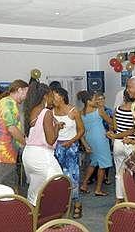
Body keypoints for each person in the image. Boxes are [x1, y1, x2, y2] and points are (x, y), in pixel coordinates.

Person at [22, 82, 63, 206]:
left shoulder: (32, 110)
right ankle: (51, 217)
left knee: (35, 190)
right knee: (59, 183)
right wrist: (57, 128)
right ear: (45, 96)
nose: (53, 99)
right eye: (51, 95)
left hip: (29, 154)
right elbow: (50, 140)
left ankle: (33, 217)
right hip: (42, 155)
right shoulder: (46, 112)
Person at [0, 79, 28, 191]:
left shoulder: (7, 102)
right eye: (26, 93)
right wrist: (26, 143)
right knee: (6, 187)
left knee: (4, 185)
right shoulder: (8, 103)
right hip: (3, 152)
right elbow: (11, 128)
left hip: (4, 152)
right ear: (20, 90)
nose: (26, 97)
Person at [52, 87, 85, 218]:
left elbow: (81, 130)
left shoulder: (73, 111)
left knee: (73, 176)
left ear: (62, 97)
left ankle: (77, 203)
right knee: (57, 176)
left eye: (54, 96)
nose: (53, 99)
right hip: (55, 147)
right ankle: (61, 204)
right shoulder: (51, 112)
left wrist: (71, 141)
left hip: (70, 147)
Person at [78, 90, 113, 196]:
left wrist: (85, 144)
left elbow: (80, 132)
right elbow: (111, 122)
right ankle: (98, 189)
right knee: (103, 164)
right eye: (95, 99)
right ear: (88, 101)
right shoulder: (99, 110)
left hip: (89, 139)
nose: (97, 101)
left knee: (94, 162)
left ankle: (84, 184)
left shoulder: (80, 113)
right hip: (100, 139)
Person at [107, 89, 135, 203]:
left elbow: (114, 126)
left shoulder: (117, 109)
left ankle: (119, 199)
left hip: (118, 143)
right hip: (131, 143)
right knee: (131, 173)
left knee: (118, 172)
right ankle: (130, 198)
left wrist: (115, 135)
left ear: (123, 98)